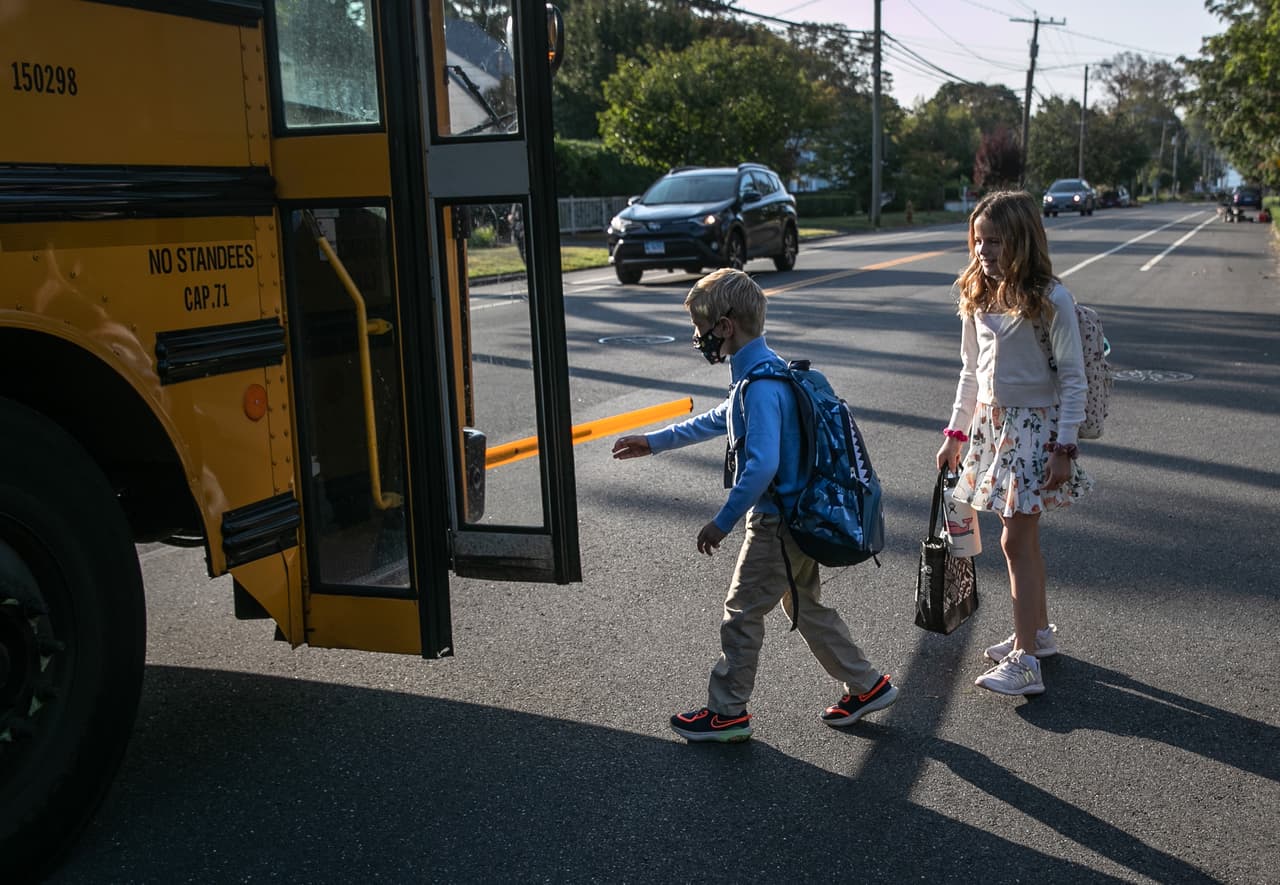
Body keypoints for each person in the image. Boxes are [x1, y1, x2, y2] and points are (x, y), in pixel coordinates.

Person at [612, 268, 897, 742]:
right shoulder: (768, 372)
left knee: (741, 612)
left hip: (776, 522)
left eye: (701, 326)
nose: (697, 337)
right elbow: (717, 420)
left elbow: (761, 465)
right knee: (803, 605)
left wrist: (721, 522)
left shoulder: (760, 387)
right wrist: (654, 442)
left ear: (726, 327)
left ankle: (727, 713)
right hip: (798, 516)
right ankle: (865, 685)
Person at [936, 190, 1094, 697]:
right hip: (991, 428)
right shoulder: (978, 293)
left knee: (1014, 541)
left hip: (1034, 434)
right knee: (1019, 539)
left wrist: (1064, 448)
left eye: (997, 241)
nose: (985, 251)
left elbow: (1074, 380)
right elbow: (969, 372)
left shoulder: (1052, 298)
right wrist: (956, 434)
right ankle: (1038, 635)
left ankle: (1027, 662)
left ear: (1023, 240)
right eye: (979, 240)